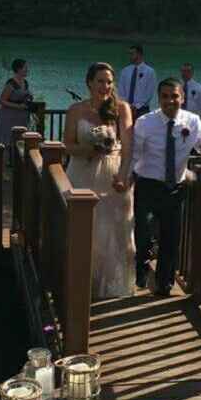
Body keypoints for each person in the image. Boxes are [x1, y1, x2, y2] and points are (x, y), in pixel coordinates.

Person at [117, 78, 201, 297]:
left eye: (175, 96)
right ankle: (141, 266)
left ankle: (164, 284)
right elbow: (135, 154)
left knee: (171, 238)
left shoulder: (193, 121)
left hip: (175, 188)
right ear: (159, 98)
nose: (170, 101)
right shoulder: (145, 122)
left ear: (182, 97)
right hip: (148, 185)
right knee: (142, 231)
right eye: (165, 96)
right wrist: (126, 177)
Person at [64, 62, 135, 300]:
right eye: (100, 81)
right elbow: (68, 145)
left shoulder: (122, 108)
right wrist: (88, 150)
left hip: (111, 175)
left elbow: (128, 148)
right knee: (84, 227)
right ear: (89, 82)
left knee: (111, 229)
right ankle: (81, 282)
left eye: (109, 81)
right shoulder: (75, 110)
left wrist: (124, 177)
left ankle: (109, 286)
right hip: (81, 173)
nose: (105, 86)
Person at [0, 59, 33, 153]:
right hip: (8, 117)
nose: (27, 70)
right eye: (25, 68)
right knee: (6, 143)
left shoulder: (25, 83)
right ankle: (3, 166)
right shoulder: (11, 83)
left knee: (20, 144)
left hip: (21, 118)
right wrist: (18, 106)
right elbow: (2, 101)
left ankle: (17, 166)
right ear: (19, 69)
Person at [117, 45, 156, 123]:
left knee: (142, 133)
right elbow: (121, 91)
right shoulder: (125, 71)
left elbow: (149, 93)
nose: (130, 56)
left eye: (132, 54)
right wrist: (127, 105)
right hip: (125, 108)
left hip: (142, 110)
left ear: (139, 54)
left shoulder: (150, 72)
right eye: (129, 54)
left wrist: (136, 106)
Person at [180, 63, 201, 129]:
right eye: (183, 71)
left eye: (187, 71)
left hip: (193, 121)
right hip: (179, 121)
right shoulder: (176, 87)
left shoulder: (199, 88)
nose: (185, 73)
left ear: (192, 73)